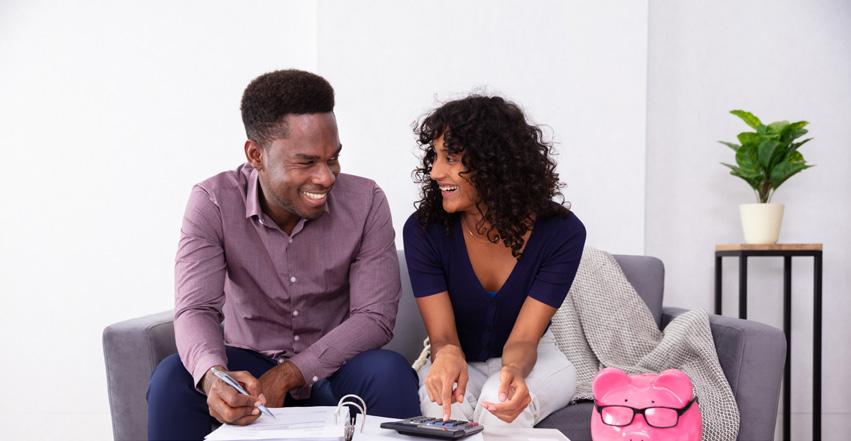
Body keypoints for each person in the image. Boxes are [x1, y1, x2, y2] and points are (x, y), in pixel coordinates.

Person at [146, 69, 420, 440]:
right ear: (256, 154)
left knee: (389, 373)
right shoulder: (213, 202)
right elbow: (196, 308)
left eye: (333, 159)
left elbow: (374, 317)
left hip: (335, 369)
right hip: (249, 370)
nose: (326, 177)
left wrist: (290, 373)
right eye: (306, 162)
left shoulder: (366, 201)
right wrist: (214, 377)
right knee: (172, 379)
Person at [403, 94, 586, 427]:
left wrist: (513, 370)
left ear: (494, 164)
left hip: (534, 359)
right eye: (435, 156)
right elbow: (443, 338)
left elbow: (524, 339)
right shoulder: (425, 230)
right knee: (441, 407)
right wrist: (446, 356)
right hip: (457, 356)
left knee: (498, 403)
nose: (435, 172)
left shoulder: (561, 232)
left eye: (451, 158)